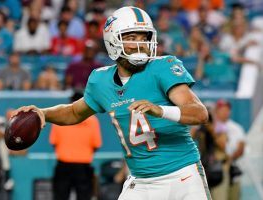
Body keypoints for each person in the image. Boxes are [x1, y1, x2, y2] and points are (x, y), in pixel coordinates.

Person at [13, 6, 210, 200]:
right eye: (132, 38)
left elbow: (199, 113)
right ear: (112, 41)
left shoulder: (162, 67)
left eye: (144, 38)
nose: (140, 44)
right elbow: (73, 112)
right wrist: (42, 113)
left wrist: (161, 110)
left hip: (183, 175)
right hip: (141, 182)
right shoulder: (101, 80)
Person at [49, 91, 102, 200]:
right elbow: (96, 145)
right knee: (84, 197)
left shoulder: (60, 119)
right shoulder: (93, 121)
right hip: (83, 167)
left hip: (63, 166)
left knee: (60, 197)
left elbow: (53, 142)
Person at [212, 99, 245, 200]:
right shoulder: (211, 126)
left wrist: (230, 159)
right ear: (216, 111)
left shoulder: (236, 128)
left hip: (233, 169)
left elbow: (241, 148)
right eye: (222, 109)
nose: (225, 112)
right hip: (216, 171)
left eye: (227, 109)